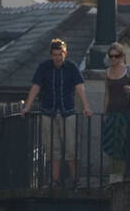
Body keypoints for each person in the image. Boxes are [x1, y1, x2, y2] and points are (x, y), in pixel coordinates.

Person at [19, 38, 93, 187]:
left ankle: (74, 180)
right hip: (48, 110)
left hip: (68, 110)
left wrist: (86, 106)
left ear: (65, 54)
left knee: (71, 146)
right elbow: (36, 87)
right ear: (51, 55)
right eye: (55, 55)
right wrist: (27, 106)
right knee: (52, 148)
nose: (58, 58)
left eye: (60, 54)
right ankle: (55, 180)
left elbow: (80, 87)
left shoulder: (71, 67)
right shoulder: (44, 67)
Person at [102, 41, 130, 178]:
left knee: (123, 145)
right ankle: (114, 176)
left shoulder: (129, 71)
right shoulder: (107, 73)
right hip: (112, 113)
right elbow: (107, 94)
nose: (113, 59)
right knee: (112, 145)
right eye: (111, 56)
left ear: (122, 56)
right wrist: (105, 113)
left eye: (117, 56)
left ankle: (121, 176)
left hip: (125, 113)